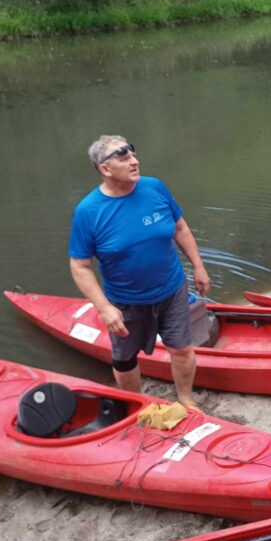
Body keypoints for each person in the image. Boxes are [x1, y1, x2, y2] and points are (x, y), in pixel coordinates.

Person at [68, 135, 210, 406]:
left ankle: (185, 399)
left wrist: (199, 267)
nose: (135, 161)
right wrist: (104, 308)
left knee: (181, 348)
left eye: (133, 154)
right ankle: (136, 404)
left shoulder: (154, 188)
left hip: (171, 290)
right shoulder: (89, 211)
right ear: (105, 169)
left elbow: (180, 228)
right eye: (124, 157)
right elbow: (80, 265)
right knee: (124, 358)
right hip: (125, 302)